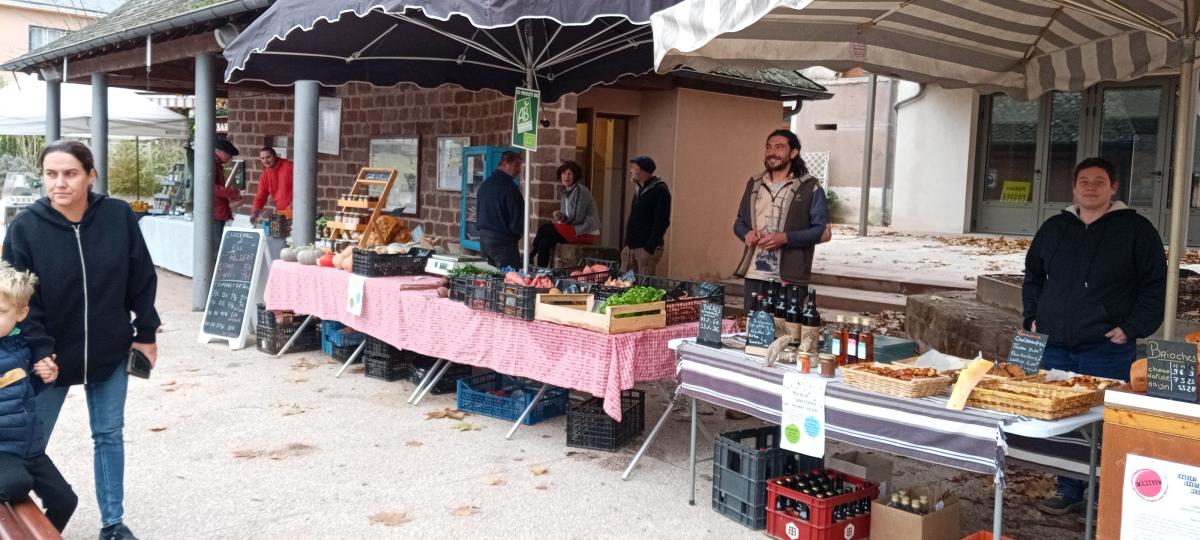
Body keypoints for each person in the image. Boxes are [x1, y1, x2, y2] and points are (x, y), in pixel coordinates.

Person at [2, 140, 160, 540]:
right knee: (25, 440)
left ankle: (113, 524)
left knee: (108, 435)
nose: (60, 183)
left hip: (109, 350)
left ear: (91, 175)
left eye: (71, 173)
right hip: (49, 357)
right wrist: (39, 350)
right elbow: (20, 299)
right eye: (51, 174)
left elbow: (141, 275)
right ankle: (20, 520)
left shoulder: (118, 216)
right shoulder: (25, 227)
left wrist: (145, 332)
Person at [1023, 156, 1166, 515]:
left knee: (1108, 420)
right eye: (1083, 181)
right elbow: (1033, 276)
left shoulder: (1136, 230)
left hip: (1107, 347)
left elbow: (1154, 285)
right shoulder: (1055, 228)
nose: (1090, 187)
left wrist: (1133, 328)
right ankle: (1068, 488)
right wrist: (1032, 317)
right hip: (1055, 345)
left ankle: (1107, 491)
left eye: (1099, 181)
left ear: (1114, 188)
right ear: (1073, 187)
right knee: (1062, 419)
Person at [0, 262, 77, 533]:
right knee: (15, 484)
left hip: (28, 447)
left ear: (21, 313)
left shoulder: (20, 345)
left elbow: (24, 391)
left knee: (66, 500)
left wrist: (46, 376)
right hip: (2, 450)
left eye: (1, 312)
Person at [733, 129, 831, 308]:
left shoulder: (810, 187)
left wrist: (786, 238)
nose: (772, 152)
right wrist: (746, 234)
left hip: (791, 277)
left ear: (793, 152)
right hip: (755, 274)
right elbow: (739, 221)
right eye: (768, 147)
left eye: (779, 147)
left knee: (788, 332)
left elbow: (821, 231)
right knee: (754, 329)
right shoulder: (754, 183)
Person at [530, 160, 600, 267]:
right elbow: (565, 215)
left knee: (545, 228)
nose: (566, 177)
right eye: (564, 174)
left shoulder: (580, 191)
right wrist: (560, 216)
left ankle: (530, 255)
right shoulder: (564, 192)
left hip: (585, 230)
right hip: (572, 228)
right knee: (544, 241)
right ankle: (542, 272)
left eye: (569, 174)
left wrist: (561, 222)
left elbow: (578, 218)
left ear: (575, 176)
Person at [621, 155, 670, 275]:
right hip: (631, 248)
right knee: (625, 285)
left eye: (633, 168)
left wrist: (649, 247)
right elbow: (633, 218)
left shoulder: (660, 190)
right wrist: (627, 245)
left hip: (645, 249)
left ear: (639, 170)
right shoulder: (639, 190)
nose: (630, 171)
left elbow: (662, 221)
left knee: (644, 287)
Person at [475, 151, 525, 269]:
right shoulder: (510, 188)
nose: (519, 170)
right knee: (510, 280)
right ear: (505, 163)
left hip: (484, 239)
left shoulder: (485, 184)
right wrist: (516, 235)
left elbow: (478, 212)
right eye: (516, 165)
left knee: (489, 278)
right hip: (503, 241)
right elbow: (516, 219)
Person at [212, 139, 242, 258]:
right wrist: (233, 193)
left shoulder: (216, 164)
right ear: (222, 153)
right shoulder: (212, 164)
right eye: (229, 155)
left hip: (218, 209)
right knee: (217, 244)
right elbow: (212, 188)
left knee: (217, 242)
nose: (230, 159)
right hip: (215, 211)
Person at [249, 146, 293, 224]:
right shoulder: (265, 175)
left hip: (298, 211)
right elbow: (260, 196)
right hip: (283, 213)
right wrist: (254, 213)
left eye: (268, 157)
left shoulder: (289, 166)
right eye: (262, 158)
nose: (266, 161)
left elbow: (304, 189)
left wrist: (294, 205)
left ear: (275, 156)